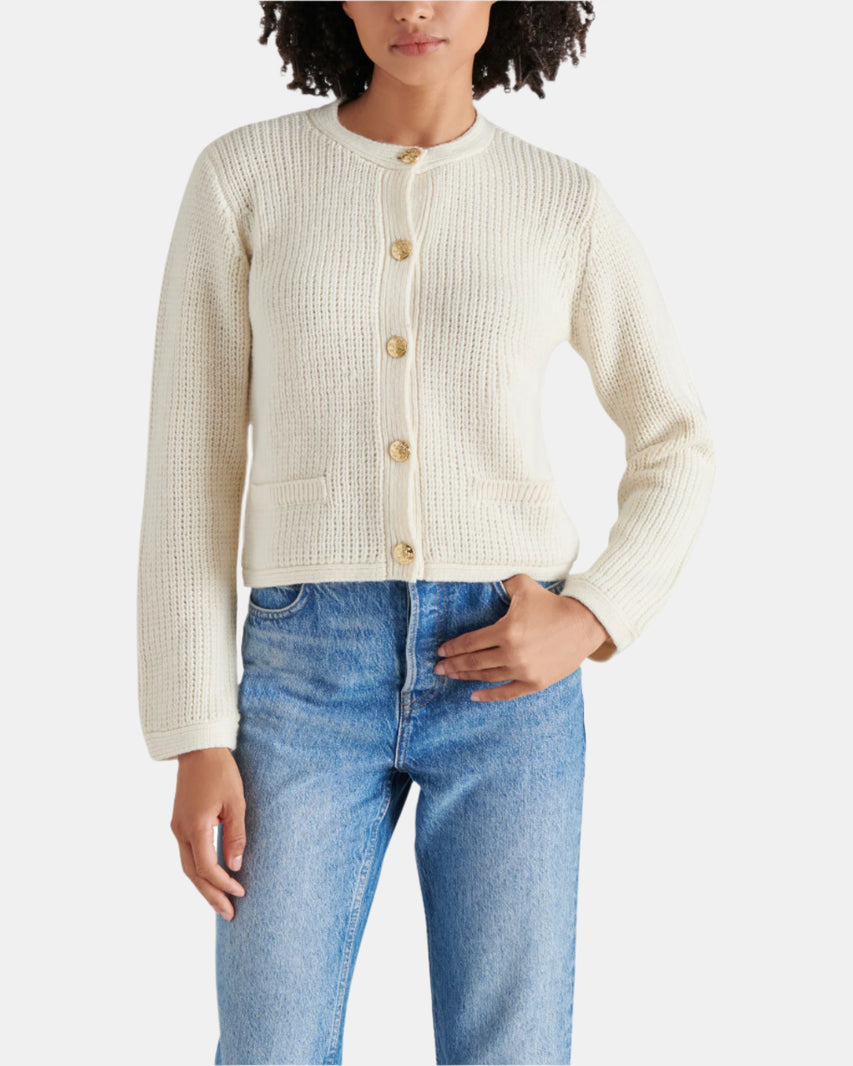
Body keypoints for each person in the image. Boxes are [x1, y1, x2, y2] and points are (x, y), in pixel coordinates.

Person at [136, 2, 716, 1063]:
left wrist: (591, 616)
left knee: (511, 1047)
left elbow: (677, 439)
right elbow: (190, 467)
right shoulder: (245, 178)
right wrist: (194, 730)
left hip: (510, 680)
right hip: (303, 674)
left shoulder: (560, 202)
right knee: (269, 1044)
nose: (414, 7)